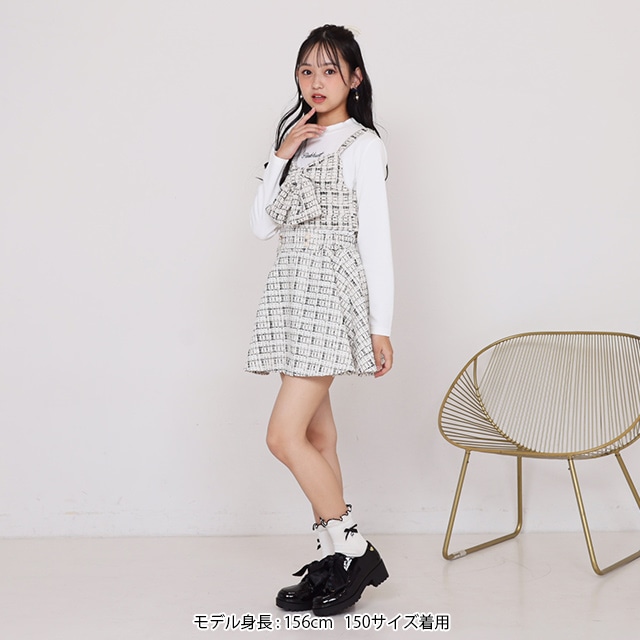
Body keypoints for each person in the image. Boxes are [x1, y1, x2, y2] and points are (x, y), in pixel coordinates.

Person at [246, 24, 394, 617]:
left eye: (330, 70)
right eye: (307, 70)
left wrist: (381, 325)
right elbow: (262, 225)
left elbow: (375, 240)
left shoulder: (363, 145)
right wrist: (280, 155)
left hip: (330, 292)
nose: (316, 81)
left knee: (283, 436)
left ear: (354, 78)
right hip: (292, 288)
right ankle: (333, 557)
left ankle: (354, 549)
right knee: (317, 437)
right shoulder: (299, 143)